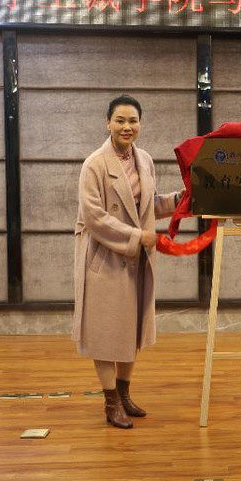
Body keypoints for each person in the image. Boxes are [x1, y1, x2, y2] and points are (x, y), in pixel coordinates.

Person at [72, 94, 183, 429]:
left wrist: (179, 200)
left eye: (133, 121)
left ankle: (124, 393)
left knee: (131, 328)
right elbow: (94, 217)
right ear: (107, 123)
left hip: (135, 257)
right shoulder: (95, 164)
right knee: (105, 332)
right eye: (119, 120)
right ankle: (110, 402)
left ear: (140, 124)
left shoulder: (144, 159)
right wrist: (137, 236)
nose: (126, 127)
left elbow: (147, 205)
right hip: (104, 257)